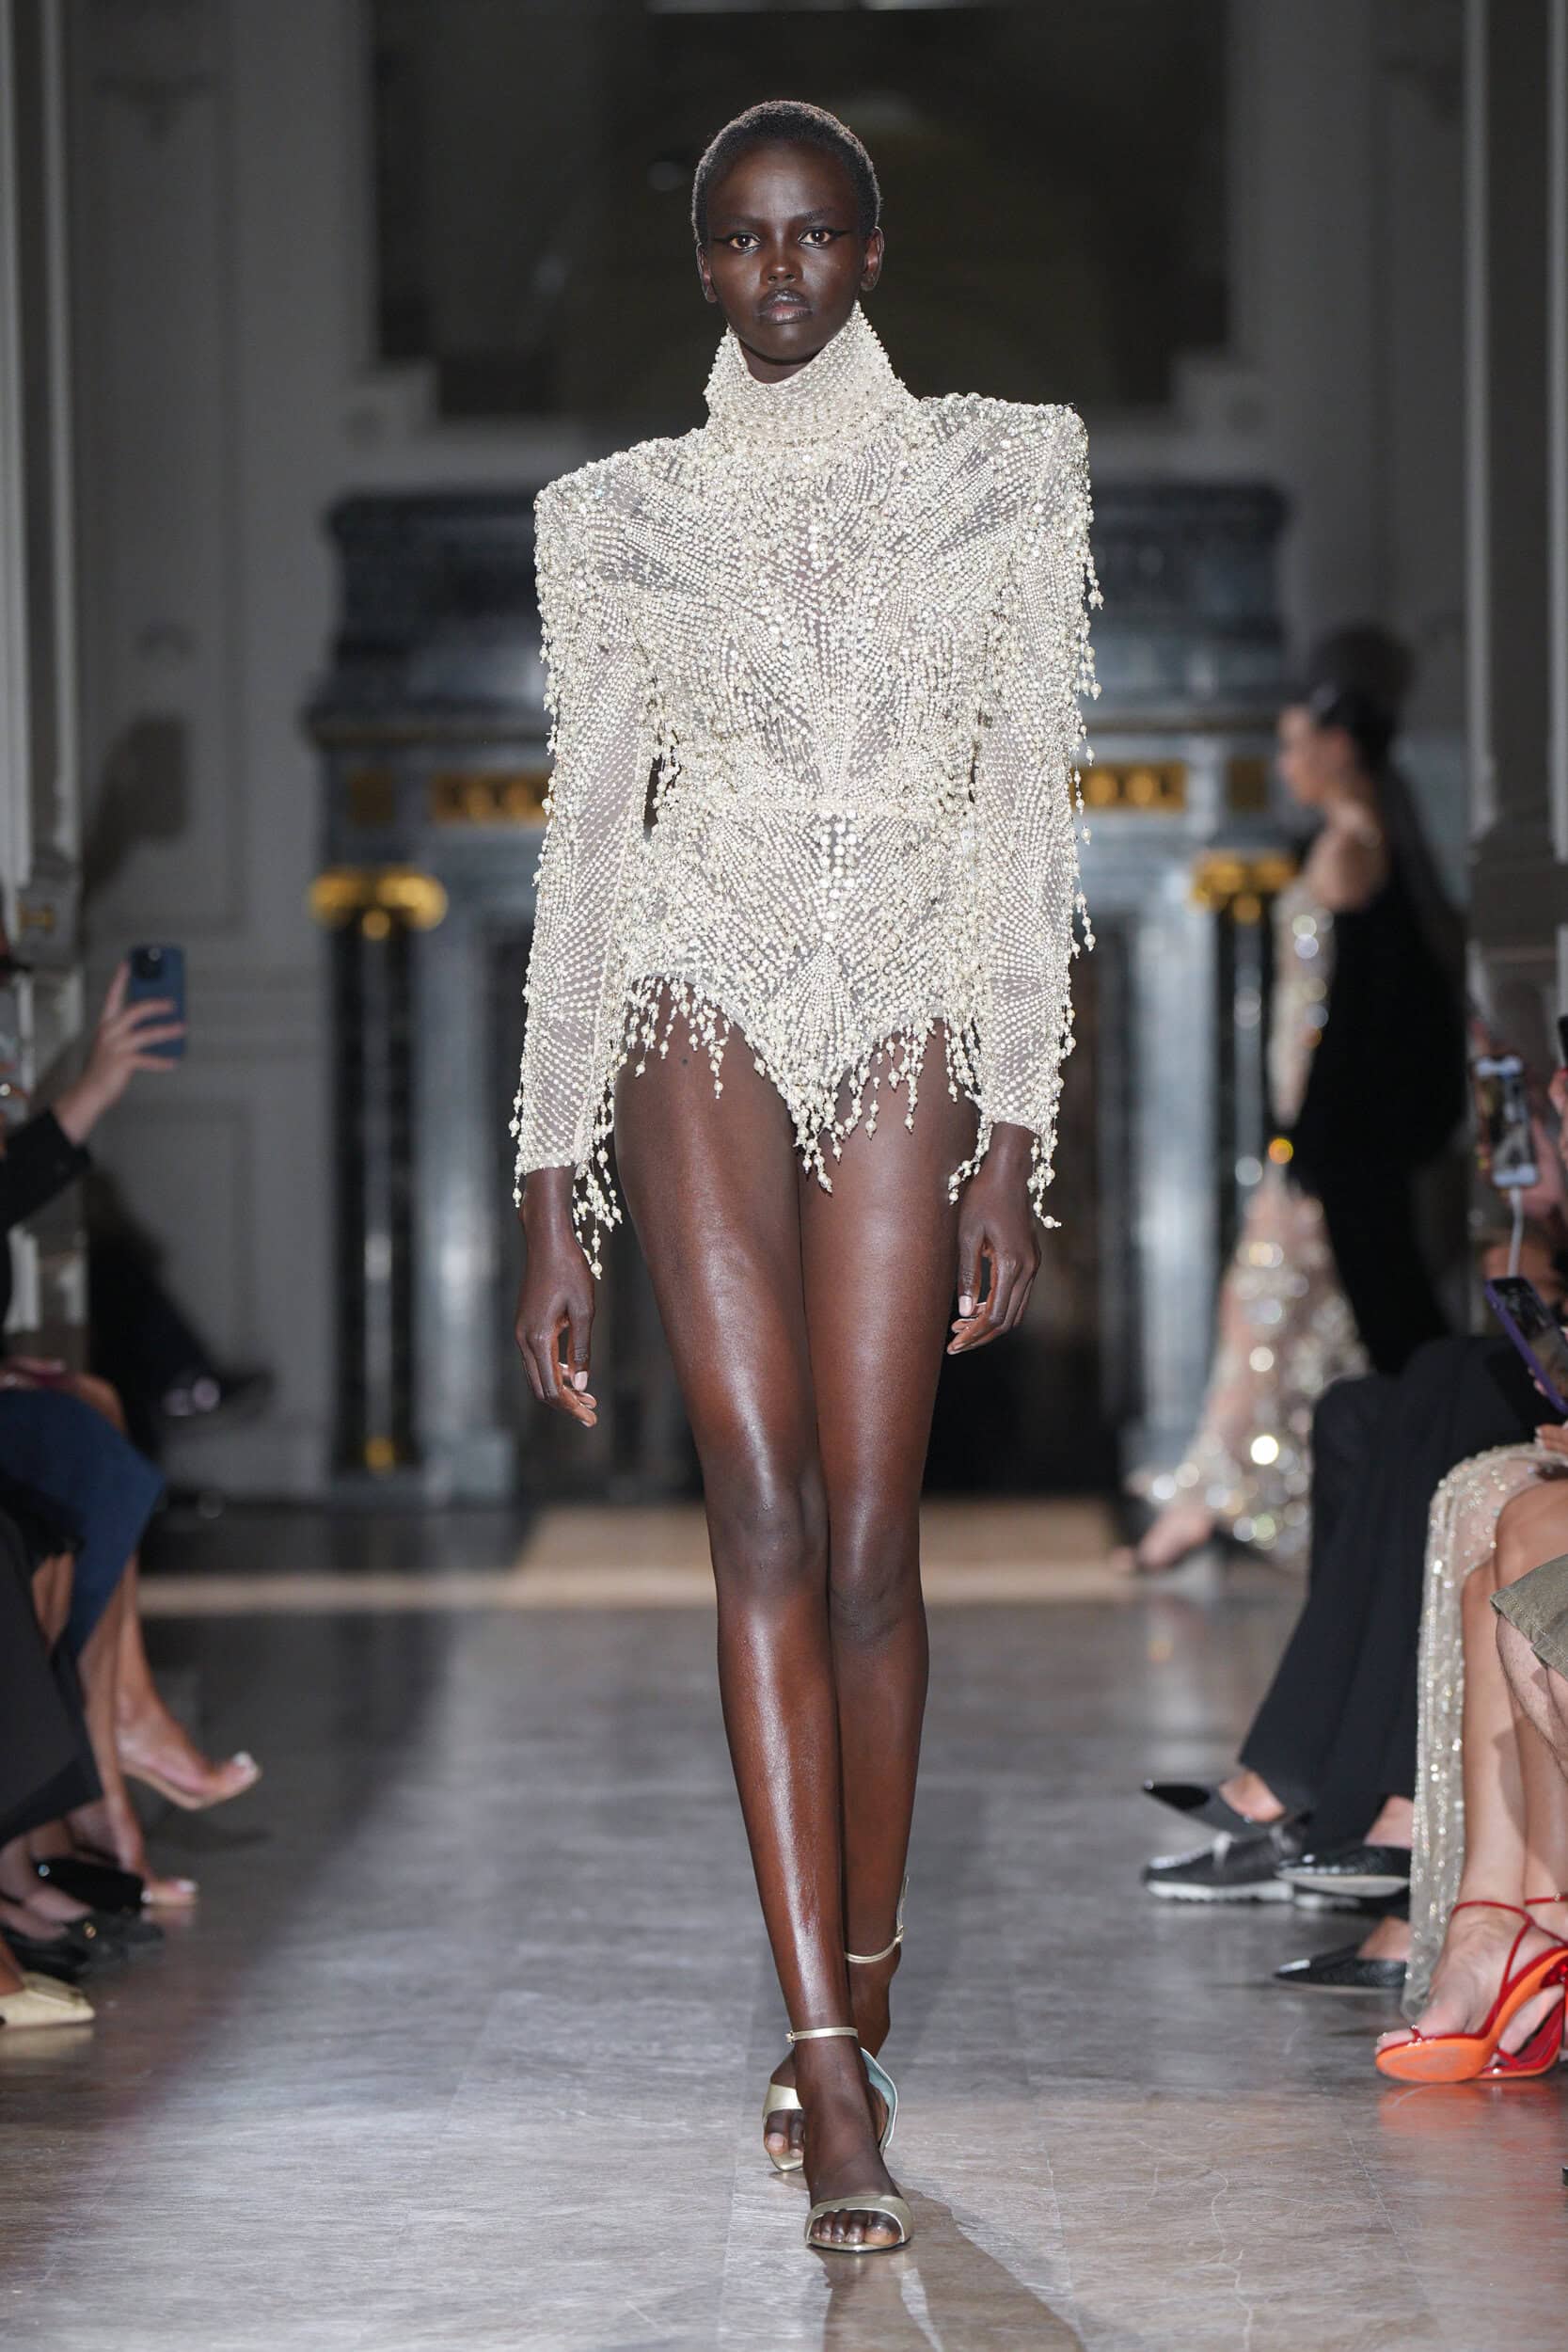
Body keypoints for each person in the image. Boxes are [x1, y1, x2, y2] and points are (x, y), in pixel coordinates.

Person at [510, 101, 1094, 2256]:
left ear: (868, 250)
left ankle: (863, 1971)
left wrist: (1014, 1136)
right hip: (699, 988)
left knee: (866, 1538)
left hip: (919, 994)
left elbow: (1028, 813)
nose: (776, 270)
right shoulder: (613, 516)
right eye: (741, 240)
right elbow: (586, 841)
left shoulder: (1006, 471)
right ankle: (828, 2067)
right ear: (702, 266)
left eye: (812, 233)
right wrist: (544, 1184)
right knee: (754, 1506)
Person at [1130, 628, 1465, 1573]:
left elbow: (1345, 1016)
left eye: (1292, 745)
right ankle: (1218, 1495)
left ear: (1336, 744)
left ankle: (1216, 1498)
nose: (1284, 765)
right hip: (1321, 1133)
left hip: (1329, 1137)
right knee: (1276, 1310)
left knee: (1278, 1307)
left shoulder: (1354, 847)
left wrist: (1305, 1136)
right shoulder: (1355, 842)